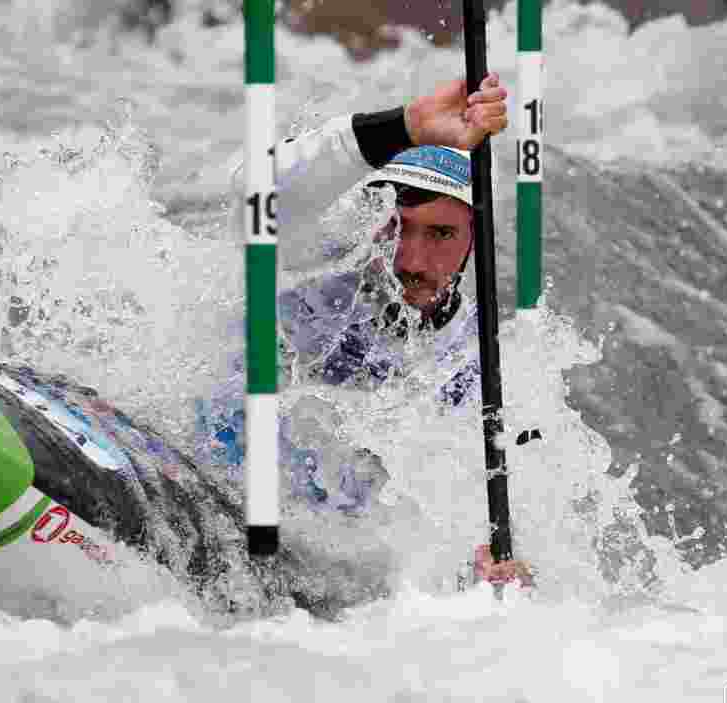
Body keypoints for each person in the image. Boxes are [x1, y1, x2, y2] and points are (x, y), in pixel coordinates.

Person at [195, 73, 533, 588]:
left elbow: (465, 504)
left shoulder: (477, 363)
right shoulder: (309, 266)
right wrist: (405, 126)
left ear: (474, 241)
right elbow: (254, 192)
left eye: (442, 233)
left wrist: (483, 568)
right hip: (206, 481)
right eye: (397, 228)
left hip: (323, 560)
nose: (411, 260)